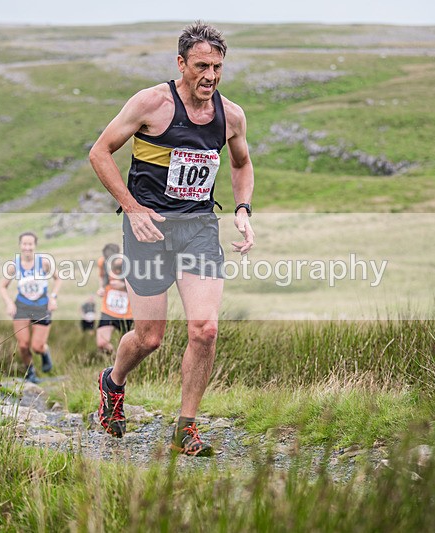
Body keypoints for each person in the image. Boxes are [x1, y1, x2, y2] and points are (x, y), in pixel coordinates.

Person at [89, 21, 255, 456]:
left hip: (198, 227)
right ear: (181, 63)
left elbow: (241, 164)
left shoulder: (230, 116)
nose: (210, 76)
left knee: (205, 329)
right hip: (148, 229)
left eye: (217, 67)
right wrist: (132, 206)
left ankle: (186, 427)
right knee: (149, 337)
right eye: (201, 65)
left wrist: (241, 209)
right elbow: (99, 152)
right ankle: (113, 382)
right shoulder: (151, 103)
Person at [0, 231, 62, 384]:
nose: (27, 247)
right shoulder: (14, 265)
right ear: (20, 245)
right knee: (23, 344)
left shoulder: (44, 262)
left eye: (30, 244)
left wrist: (53, 297)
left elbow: (58, 278)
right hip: (22, 306)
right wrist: (9, 303)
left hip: (42, 306)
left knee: (37, 346)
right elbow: (2, 286)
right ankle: (31, 372)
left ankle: (44, 353)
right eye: (24, 244)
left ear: (35, 245)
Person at [95, 243, 134, 354]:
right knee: (101, 343)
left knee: (129, 348)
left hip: (128, 312)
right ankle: (114, 359)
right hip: (108, 309)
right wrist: (101, 288)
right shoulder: (102, 262)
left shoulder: (128, 264)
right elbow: (101, 277)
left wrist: (123, 286)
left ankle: (121, 362)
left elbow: (140, 285)